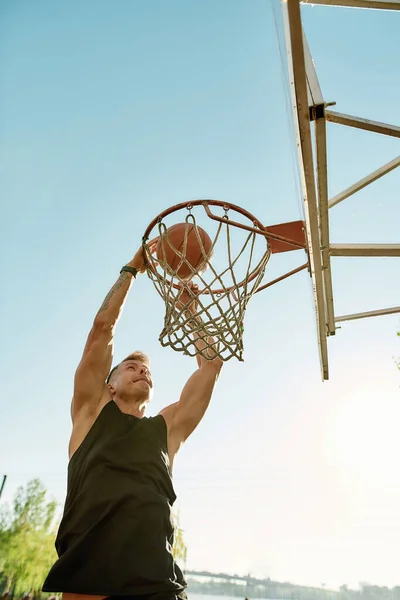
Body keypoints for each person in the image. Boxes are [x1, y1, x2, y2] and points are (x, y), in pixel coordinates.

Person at [43, 244, 223, 600]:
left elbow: (211, 366)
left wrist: (190, 311)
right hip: (90, 583)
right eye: (131, 367)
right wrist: (133, 267)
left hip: (159, 585)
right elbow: (102, 328)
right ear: (109, 385)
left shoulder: (167, 428)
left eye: (147, 370)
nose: (142, 370)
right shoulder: (90, 412)